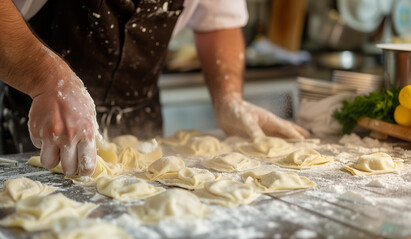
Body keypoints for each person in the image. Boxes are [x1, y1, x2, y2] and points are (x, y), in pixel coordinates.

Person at [0, 0, 309, 176]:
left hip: (142, 130)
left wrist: (229, 99)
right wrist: (47, 79)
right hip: (27, 132)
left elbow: (219, 18)